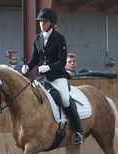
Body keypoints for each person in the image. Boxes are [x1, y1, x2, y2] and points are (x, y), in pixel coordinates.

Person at [21, 8, 84, 144]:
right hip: (41, 77)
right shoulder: (37, 38)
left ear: (51, 23)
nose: (42, 24)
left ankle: (79, 131)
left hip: (57, 75)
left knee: (66, 100)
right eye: (40, 22)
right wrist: (27, 66)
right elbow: (34, 58)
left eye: (45, 21)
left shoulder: (59, 38)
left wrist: (49, 67)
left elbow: (61, 62)